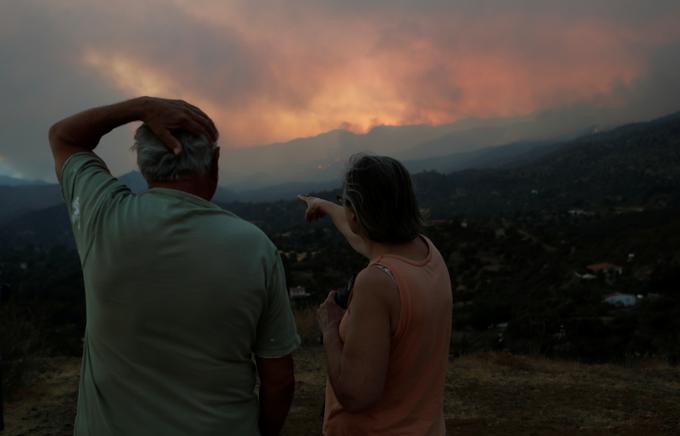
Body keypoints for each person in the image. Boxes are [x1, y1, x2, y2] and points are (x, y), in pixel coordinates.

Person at [48, 97, 300, 436]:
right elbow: (279, 380)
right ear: (215, 161)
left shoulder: (103, 217)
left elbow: (64, 136)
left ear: (142, 164)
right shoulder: (256, 247)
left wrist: (140, 107)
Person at [299, 154, 453, 435]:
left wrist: (330, 327)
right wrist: (324, 205)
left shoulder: (376, 283)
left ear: (357, 214)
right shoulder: (428, 254)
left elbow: (357, 395)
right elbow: (360, 236)